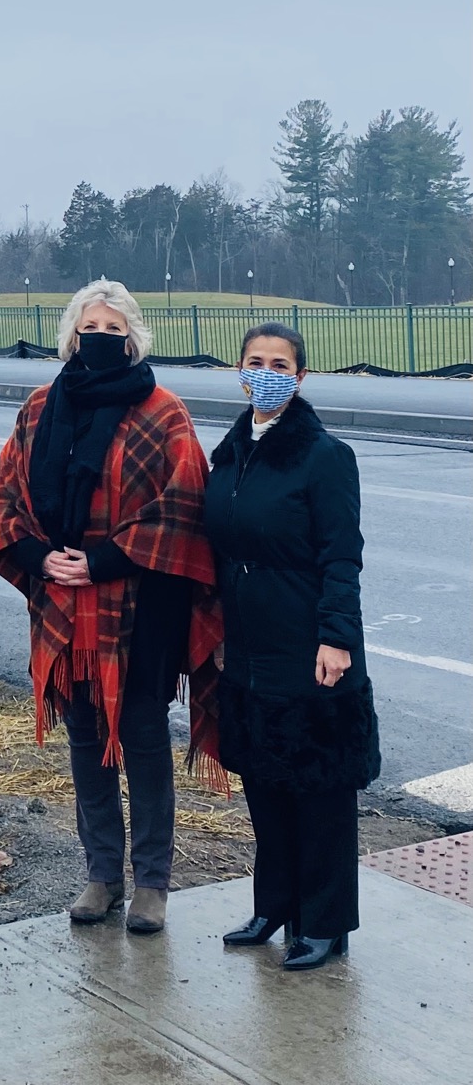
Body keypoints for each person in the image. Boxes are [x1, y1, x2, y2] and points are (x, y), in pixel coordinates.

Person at [0, 280, 223, 935]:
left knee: (142, 740)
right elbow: (11, 496)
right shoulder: (38, 409)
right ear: (71, 334)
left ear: (132, 337)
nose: (100, 338)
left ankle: (152, 885)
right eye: (90, 327)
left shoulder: (162, 411)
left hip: (141, 606)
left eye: (113, 329)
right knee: (87, 742)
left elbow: (181, 506)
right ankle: (101, 875)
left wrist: (104, 561)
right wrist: (37, 556)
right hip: (63, 603)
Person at [205, 322, 380, 971]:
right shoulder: (229, 457)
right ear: (240, 370)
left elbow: (342, 556)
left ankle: (325, 924)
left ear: (301, 377)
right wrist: (217, 633)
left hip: (311, 649)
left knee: (320, 790)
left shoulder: (324, 456)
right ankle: (273, 906)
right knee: (267, 783)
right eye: (256, 361)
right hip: (249, 650)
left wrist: (337, 638)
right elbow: (221, 554)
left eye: (282, 363)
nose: (268, 371)